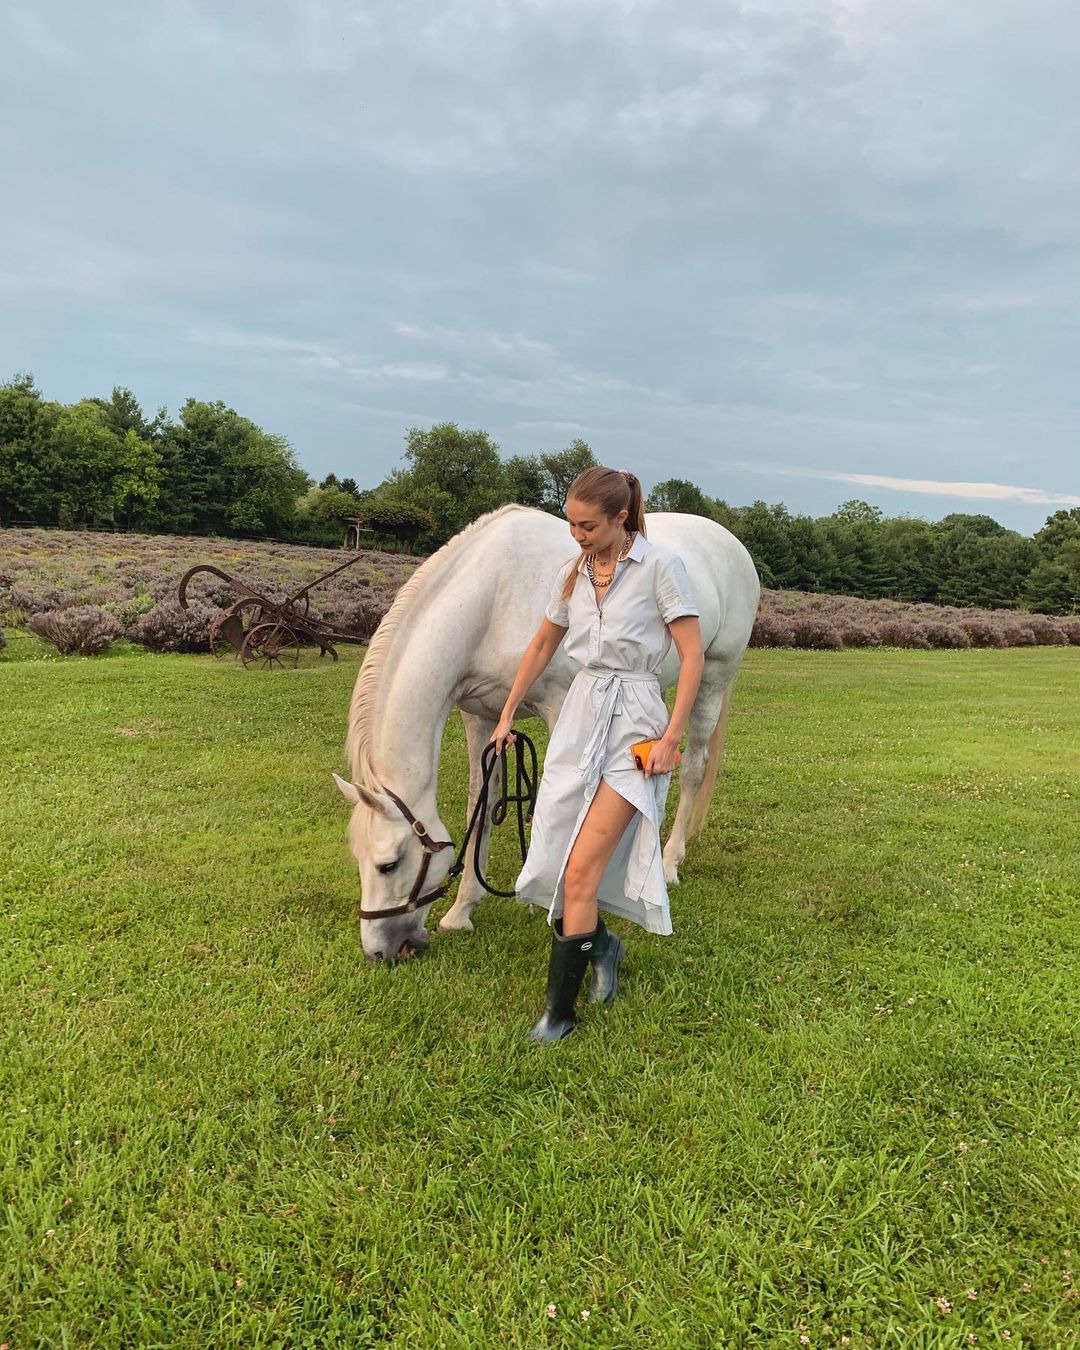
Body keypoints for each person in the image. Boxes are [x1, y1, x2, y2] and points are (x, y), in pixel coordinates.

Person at [489, 466, 704, 1042]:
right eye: (571, 524)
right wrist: (508, 713)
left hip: (635, 720)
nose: (577, 535)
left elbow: (692, 657)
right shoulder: (574, 573)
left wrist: (671, 738)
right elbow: (542, 643)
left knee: (581, 869)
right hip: (581, 715)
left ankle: (558, 1015)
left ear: (620, 518)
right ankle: (602, 944)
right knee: (559, 851)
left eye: (587, 525)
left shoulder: (661, 568)